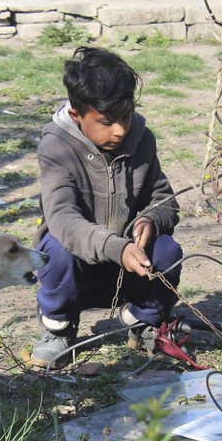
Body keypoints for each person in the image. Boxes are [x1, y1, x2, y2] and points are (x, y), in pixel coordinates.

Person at [30, 46, 184, 368]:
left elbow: (163, 198)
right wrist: (116, 247)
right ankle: (59, 327)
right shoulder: (56, 145)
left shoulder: (141, 139)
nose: (120, 130)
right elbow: (63, 219)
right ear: (77, 115)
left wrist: (151, 221)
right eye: (107, 121)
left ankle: (141, 321)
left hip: (129, 263)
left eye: (125, 116)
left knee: (167, 251)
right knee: (55, 250)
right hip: (78, 264)